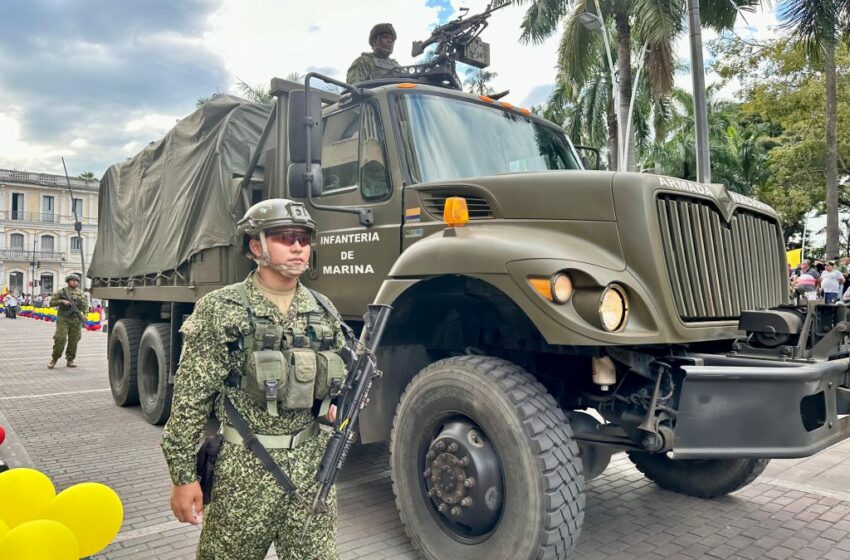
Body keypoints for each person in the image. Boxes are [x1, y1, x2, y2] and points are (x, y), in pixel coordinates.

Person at [161, 199, 346, 560]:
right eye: (284, 237)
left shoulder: (323, 309)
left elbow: (343, 382)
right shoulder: (222, 307)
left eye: (304, 239)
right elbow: (189, 399)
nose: (297, 247)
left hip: (312, 476)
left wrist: (336, 407)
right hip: (243, 476)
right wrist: (183, 478)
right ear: (256, 246)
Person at [49, 274, 89, 368]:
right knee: (60, 338)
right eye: (72, 280)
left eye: (76, 281)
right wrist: (61, 301)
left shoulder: (81, 293)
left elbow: (85, 305)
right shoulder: (61, 292)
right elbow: (51, 303)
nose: (75, 282)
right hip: (63, 319)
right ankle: (54, 359)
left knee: (74, 340)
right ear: (68, 281)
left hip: (76, 319)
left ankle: (70, 359)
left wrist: (86, 315)